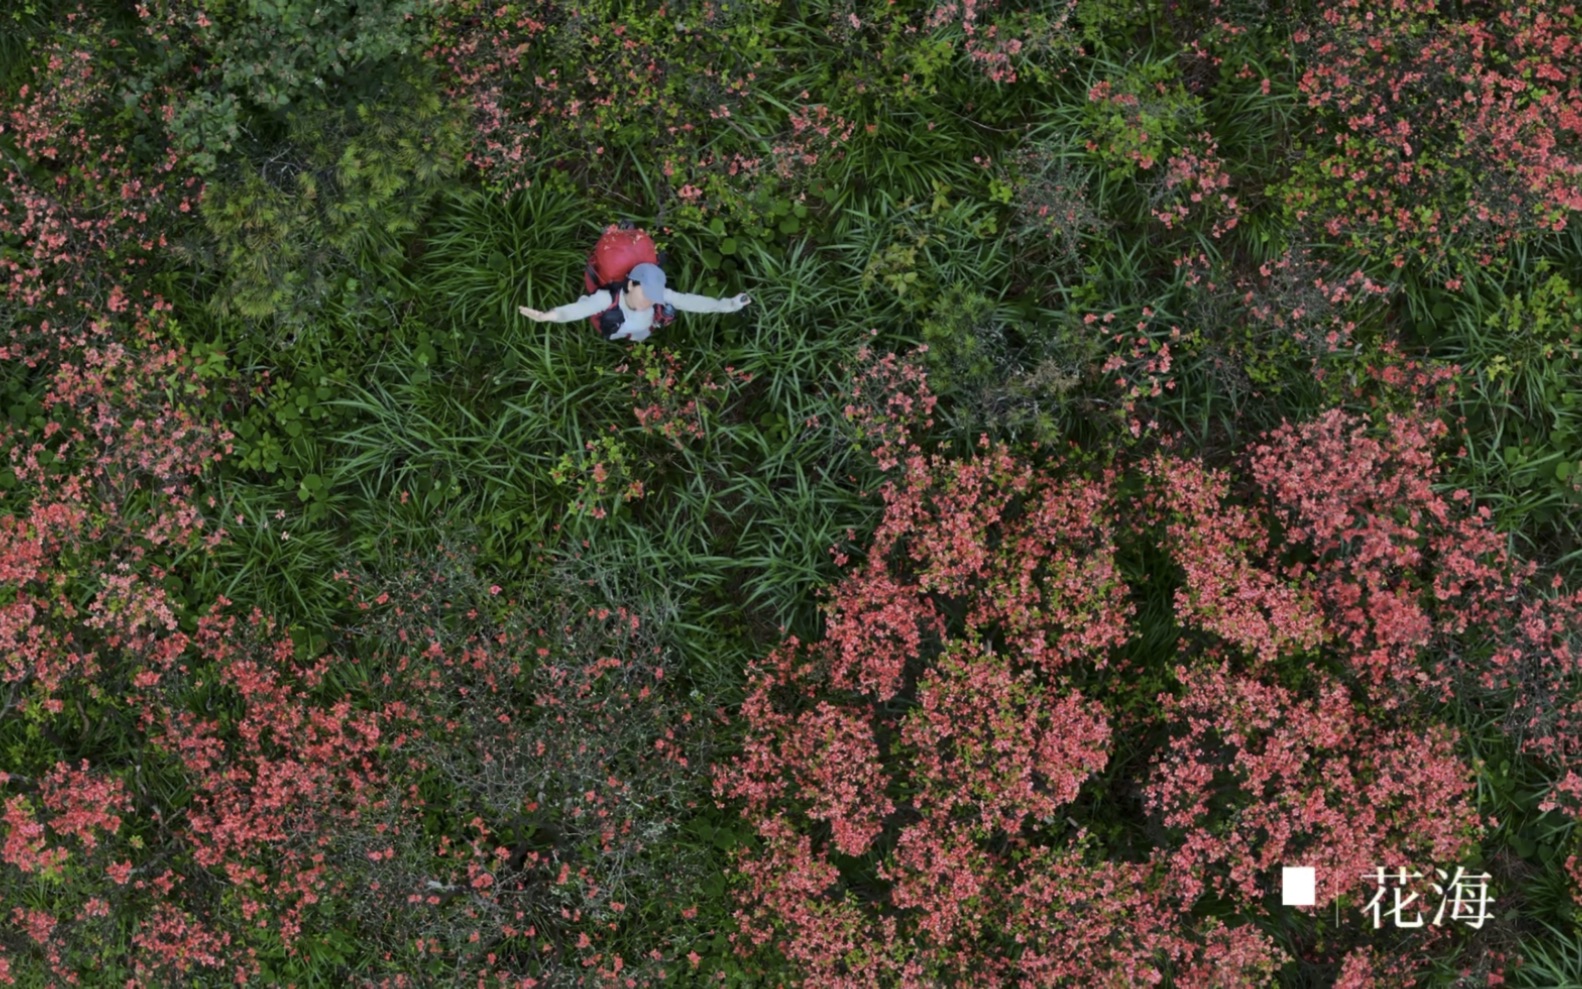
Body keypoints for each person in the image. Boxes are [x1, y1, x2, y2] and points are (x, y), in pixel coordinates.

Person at [518, 262, 750, 343]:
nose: (649, 300)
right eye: (645, 292)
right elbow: (581, 309)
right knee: (621, 331)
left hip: (641, 331)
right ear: (630, 284)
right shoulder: (607, 299)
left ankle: (636, 341)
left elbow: (691, 302)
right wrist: (549, 316)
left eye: (654, 295)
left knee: (641, 334)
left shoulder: (659, 296)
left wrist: (728, 305)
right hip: (617, 328)